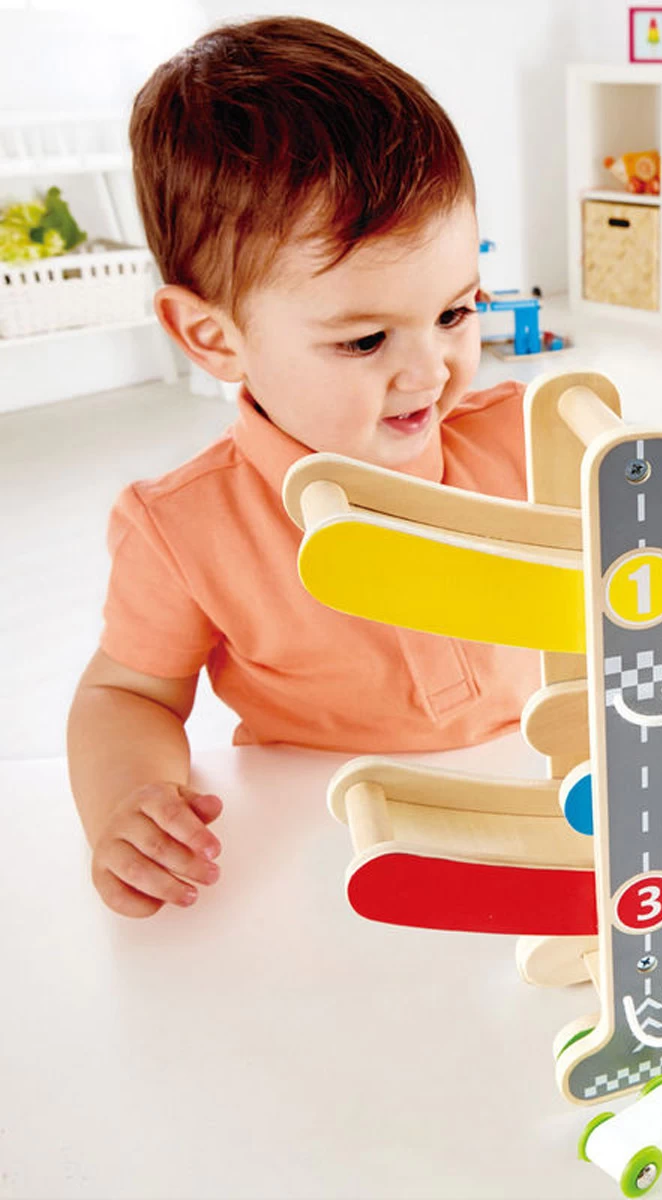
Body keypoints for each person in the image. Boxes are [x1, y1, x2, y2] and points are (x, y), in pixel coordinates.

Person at [67, 17, 540, 919]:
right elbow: (125, 696)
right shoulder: (182, 531)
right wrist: (129, 803)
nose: (430, 372)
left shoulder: (530, 443)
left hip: (532, 810)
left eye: (454, 313)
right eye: (365, 341)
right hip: (329, 855)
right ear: (213, 337)